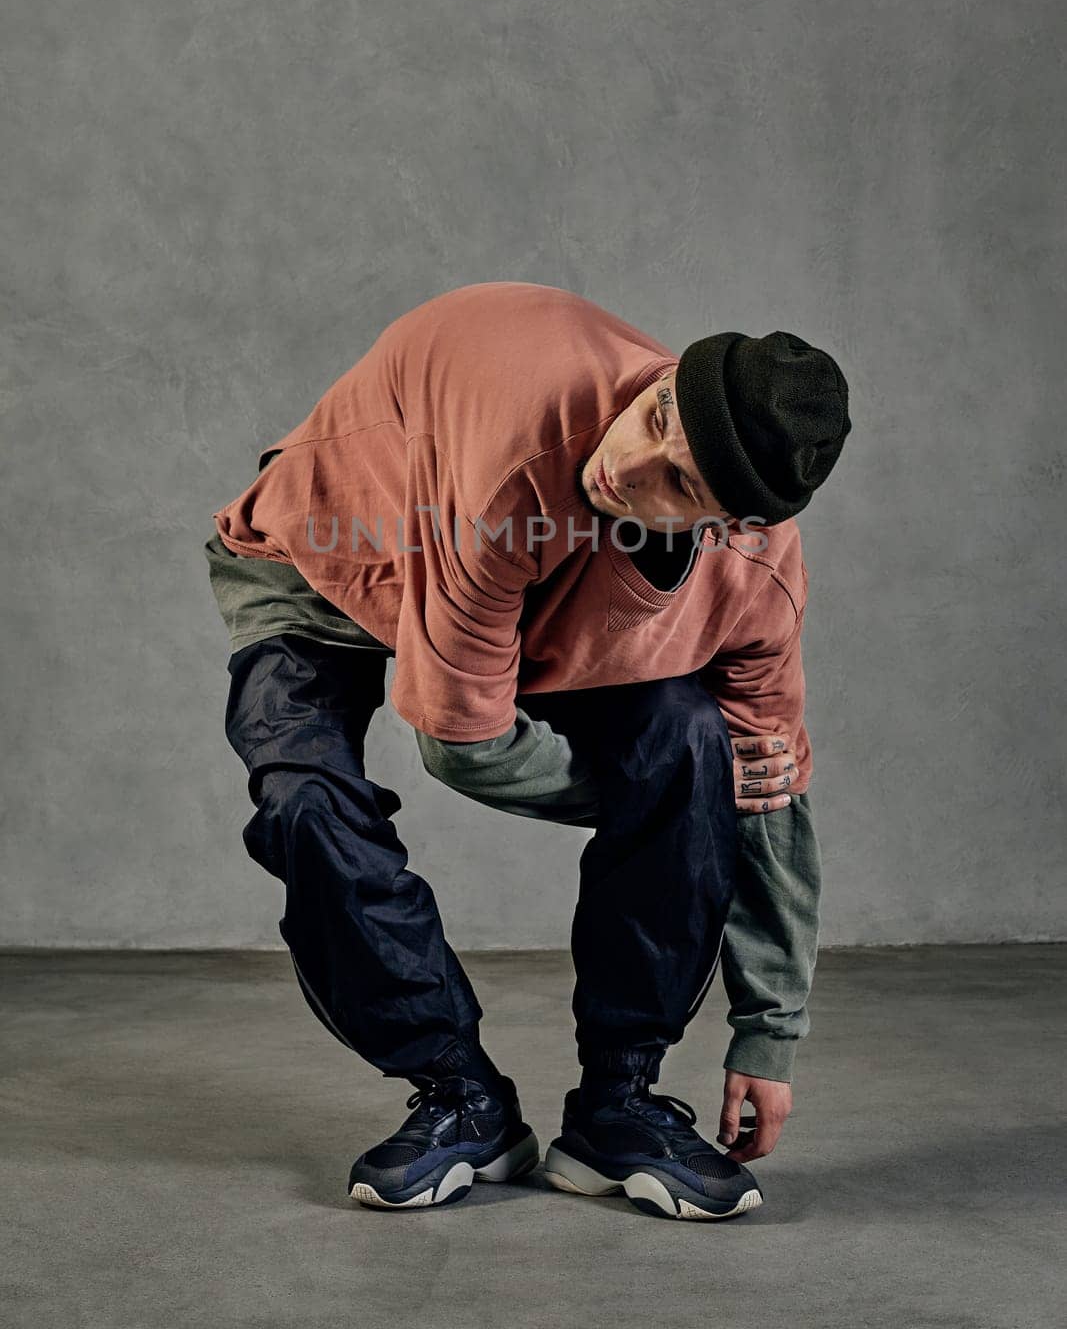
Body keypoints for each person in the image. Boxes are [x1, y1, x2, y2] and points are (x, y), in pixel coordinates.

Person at [204, 280, 851, 1220]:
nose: (633, 463)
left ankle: (616, 1107)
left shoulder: (751, 581)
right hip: (324, 549)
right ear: (663, 377)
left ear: (728, 527)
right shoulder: (519, 466)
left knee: (694, 740)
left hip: (536, 582)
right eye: (657, 415)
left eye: (679, 484)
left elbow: (768, 794)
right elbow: (459, 747)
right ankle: (459, 1095)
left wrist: (768, 1039)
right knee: (304, 800)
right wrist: (660, 806)